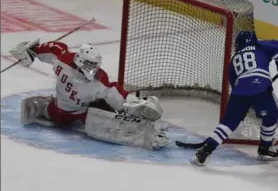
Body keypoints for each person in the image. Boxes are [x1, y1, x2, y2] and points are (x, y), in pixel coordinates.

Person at [9, 40, 165, 148]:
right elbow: (113, 91)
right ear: (81, 61)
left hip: (61, 110)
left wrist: (31, 51)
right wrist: (130, 101)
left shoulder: (62, 60)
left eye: (95, 64)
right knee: (108, 108)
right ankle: (135, 118)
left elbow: (53, 48)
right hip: (80, 112)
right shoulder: (97, 82)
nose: (93, 68)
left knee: (54, 112)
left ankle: (43, 108)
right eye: (90, 64)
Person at [191, 31, 278, 166]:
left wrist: (244, 104)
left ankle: (205, 150)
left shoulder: (233, 60)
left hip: (239, 92)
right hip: (260, 87)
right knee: (271, 115)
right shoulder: (260, 46)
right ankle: (265, 147)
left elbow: (234, 84)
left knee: (228, 124)